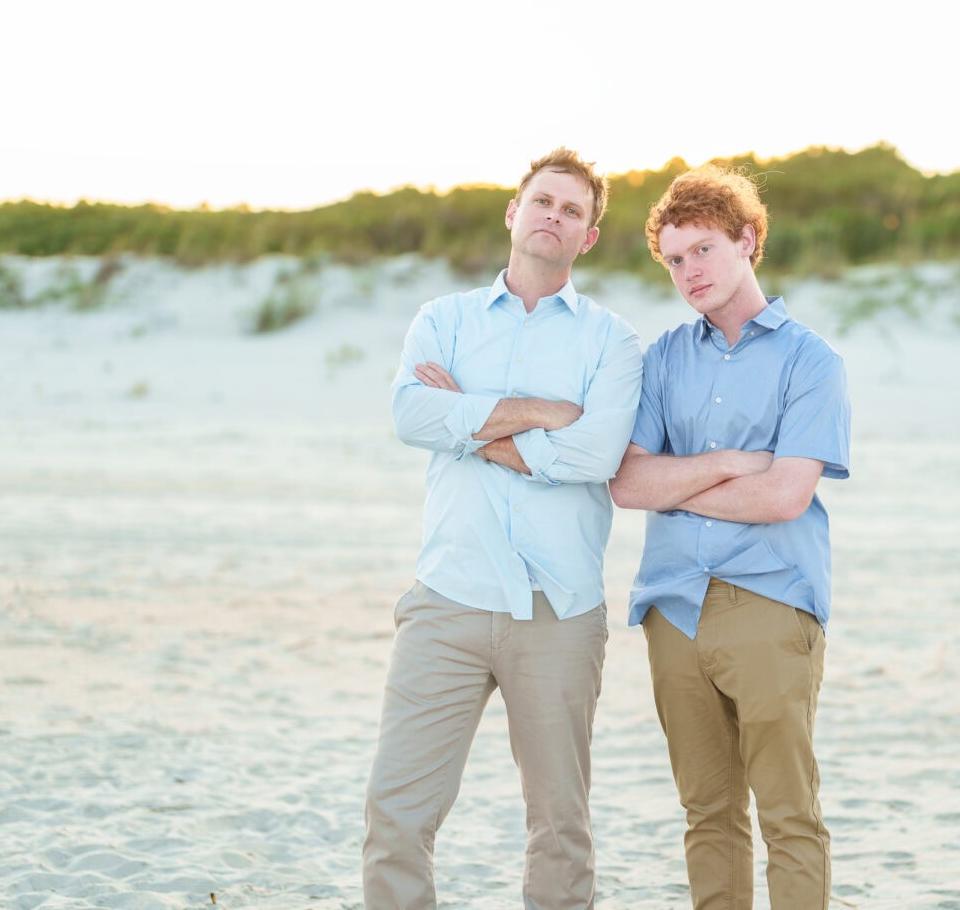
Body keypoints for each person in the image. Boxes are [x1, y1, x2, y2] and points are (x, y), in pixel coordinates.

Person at [363, 147, 643, 910]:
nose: (554, 215)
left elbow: (595, 451)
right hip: (447, 601)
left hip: (559, 611)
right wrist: (541, 412)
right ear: (513, 212)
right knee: (396, 812)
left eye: (573, 210)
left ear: (588, 237)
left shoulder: (610, 341)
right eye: (543, 201)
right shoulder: (441, 319)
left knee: (559, 824)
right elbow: (409, 414)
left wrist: (471, 422)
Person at [609, 165, 851, 909]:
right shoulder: (663, 360)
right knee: (707, 815)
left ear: (748, 240)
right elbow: (626, 485)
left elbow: (785, 496)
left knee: (789, 816)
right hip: (672, 610)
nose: (689, 273)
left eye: (704, 250)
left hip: (771, 603)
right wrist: (720, 465)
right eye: (675, 260)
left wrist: (680, 483)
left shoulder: (811, 361)